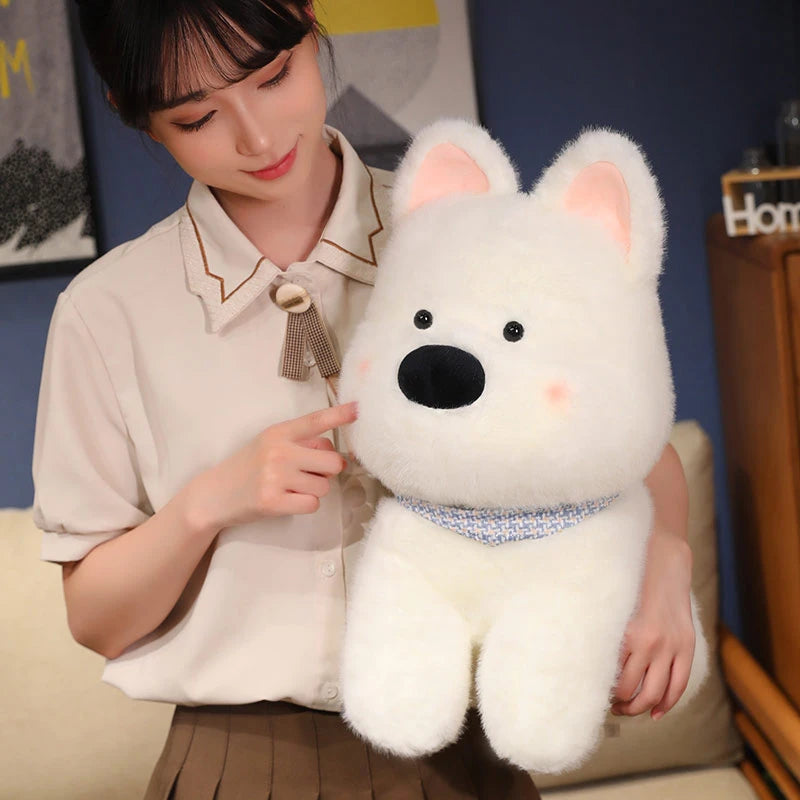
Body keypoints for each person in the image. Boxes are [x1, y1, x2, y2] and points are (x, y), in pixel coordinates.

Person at [31, 1, 696, 797]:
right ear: (134, 114)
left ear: (309, 22)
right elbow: (96, 618)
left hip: (468, 750)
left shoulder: (463, 229)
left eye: (273, 76)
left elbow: (625, 447)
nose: (258, 137)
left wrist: (665, 562)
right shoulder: (107, 313)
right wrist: (209, 502)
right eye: (198, 116)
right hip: (246, 763)